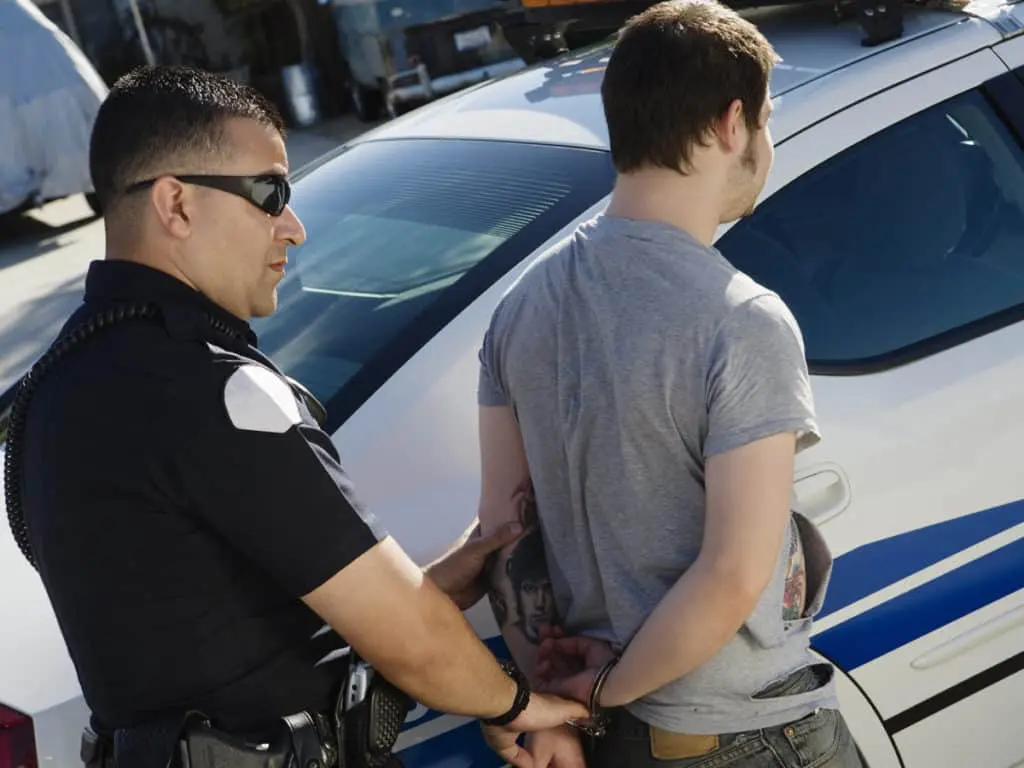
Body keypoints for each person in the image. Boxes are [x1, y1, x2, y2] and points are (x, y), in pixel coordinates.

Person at [3, 65, 587, 768]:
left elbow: (204, 621)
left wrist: (428, 591)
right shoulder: (214, 392)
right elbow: (413, 643)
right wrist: (519, 704)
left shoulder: (54, 387)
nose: (295, 227)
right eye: (271, 193)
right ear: (176, 205)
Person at [474, 1, 864, 766]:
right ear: (729, 125)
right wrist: (597, 690)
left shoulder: (518, 311)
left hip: (622, 743)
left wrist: (551, 700)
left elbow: (503, 539)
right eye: (765, 122)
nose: (766, 142)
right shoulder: (742, 319)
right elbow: (729, 576)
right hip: (743, 732)